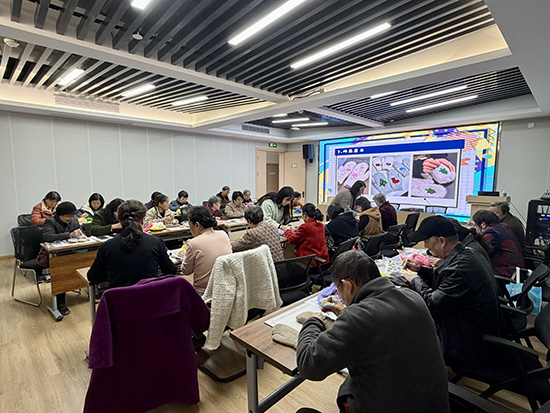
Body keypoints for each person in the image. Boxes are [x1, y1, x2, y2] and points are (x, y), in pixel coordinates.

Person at [296, 250, 449, 413]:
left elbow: (308, 365)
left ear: (348, 285)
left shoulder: (355, 319)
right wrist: (348, 312)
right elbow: (380, 326)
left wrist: (314, 321)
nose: (339, 295)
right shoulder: (413, 297)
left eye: (338, 290)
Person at [401, 215, 504, 370]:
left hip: (470, 345)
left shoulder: (460, 268)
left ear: (441, 241)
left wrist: (415, 279)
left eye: (427, 242)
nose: (427, 248)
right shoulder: (468, 253)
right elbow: (446, 280)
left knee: (406, 324)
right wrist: (420, 270)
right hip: (477, 330)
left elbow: (432, 305)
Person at [87, 200, 177, 289]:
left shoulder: (107, 246)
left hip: (120, 297)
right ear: (143, 220)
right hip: (150, 296)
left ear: (119, 220)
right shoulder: (156, 242)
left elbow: (92, 277)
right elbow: (170, 270)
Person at [41, 201, 83, 316]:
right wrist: (69, 235)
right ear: (60, 215)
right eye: (69, 216)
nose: (72, 218)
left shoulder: (74, 220)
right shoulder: (50, 222)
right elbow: (48, 236)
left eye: (73, 215)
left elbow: (79, 231)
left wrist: (80, 233)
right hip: (57, 254)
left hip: (73, 251)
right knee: (61, 273)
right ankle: (60, 302)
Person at [181, 206, 232, 294]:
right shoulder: (223, 234)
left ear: (197, 225)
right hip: (225, 287)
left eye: (190, 225)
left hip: (204, 292)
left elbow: (186, 271)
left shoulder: (193, 243)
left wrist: (184, 256)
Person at [472, 210, 525, 278]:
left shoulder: (490, 234)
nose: (476, 228)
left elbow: (479, 252)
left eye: (475, 225)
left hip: (507, 272)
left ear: (483, 224)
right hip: (518, 269)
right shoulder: (503, 227)